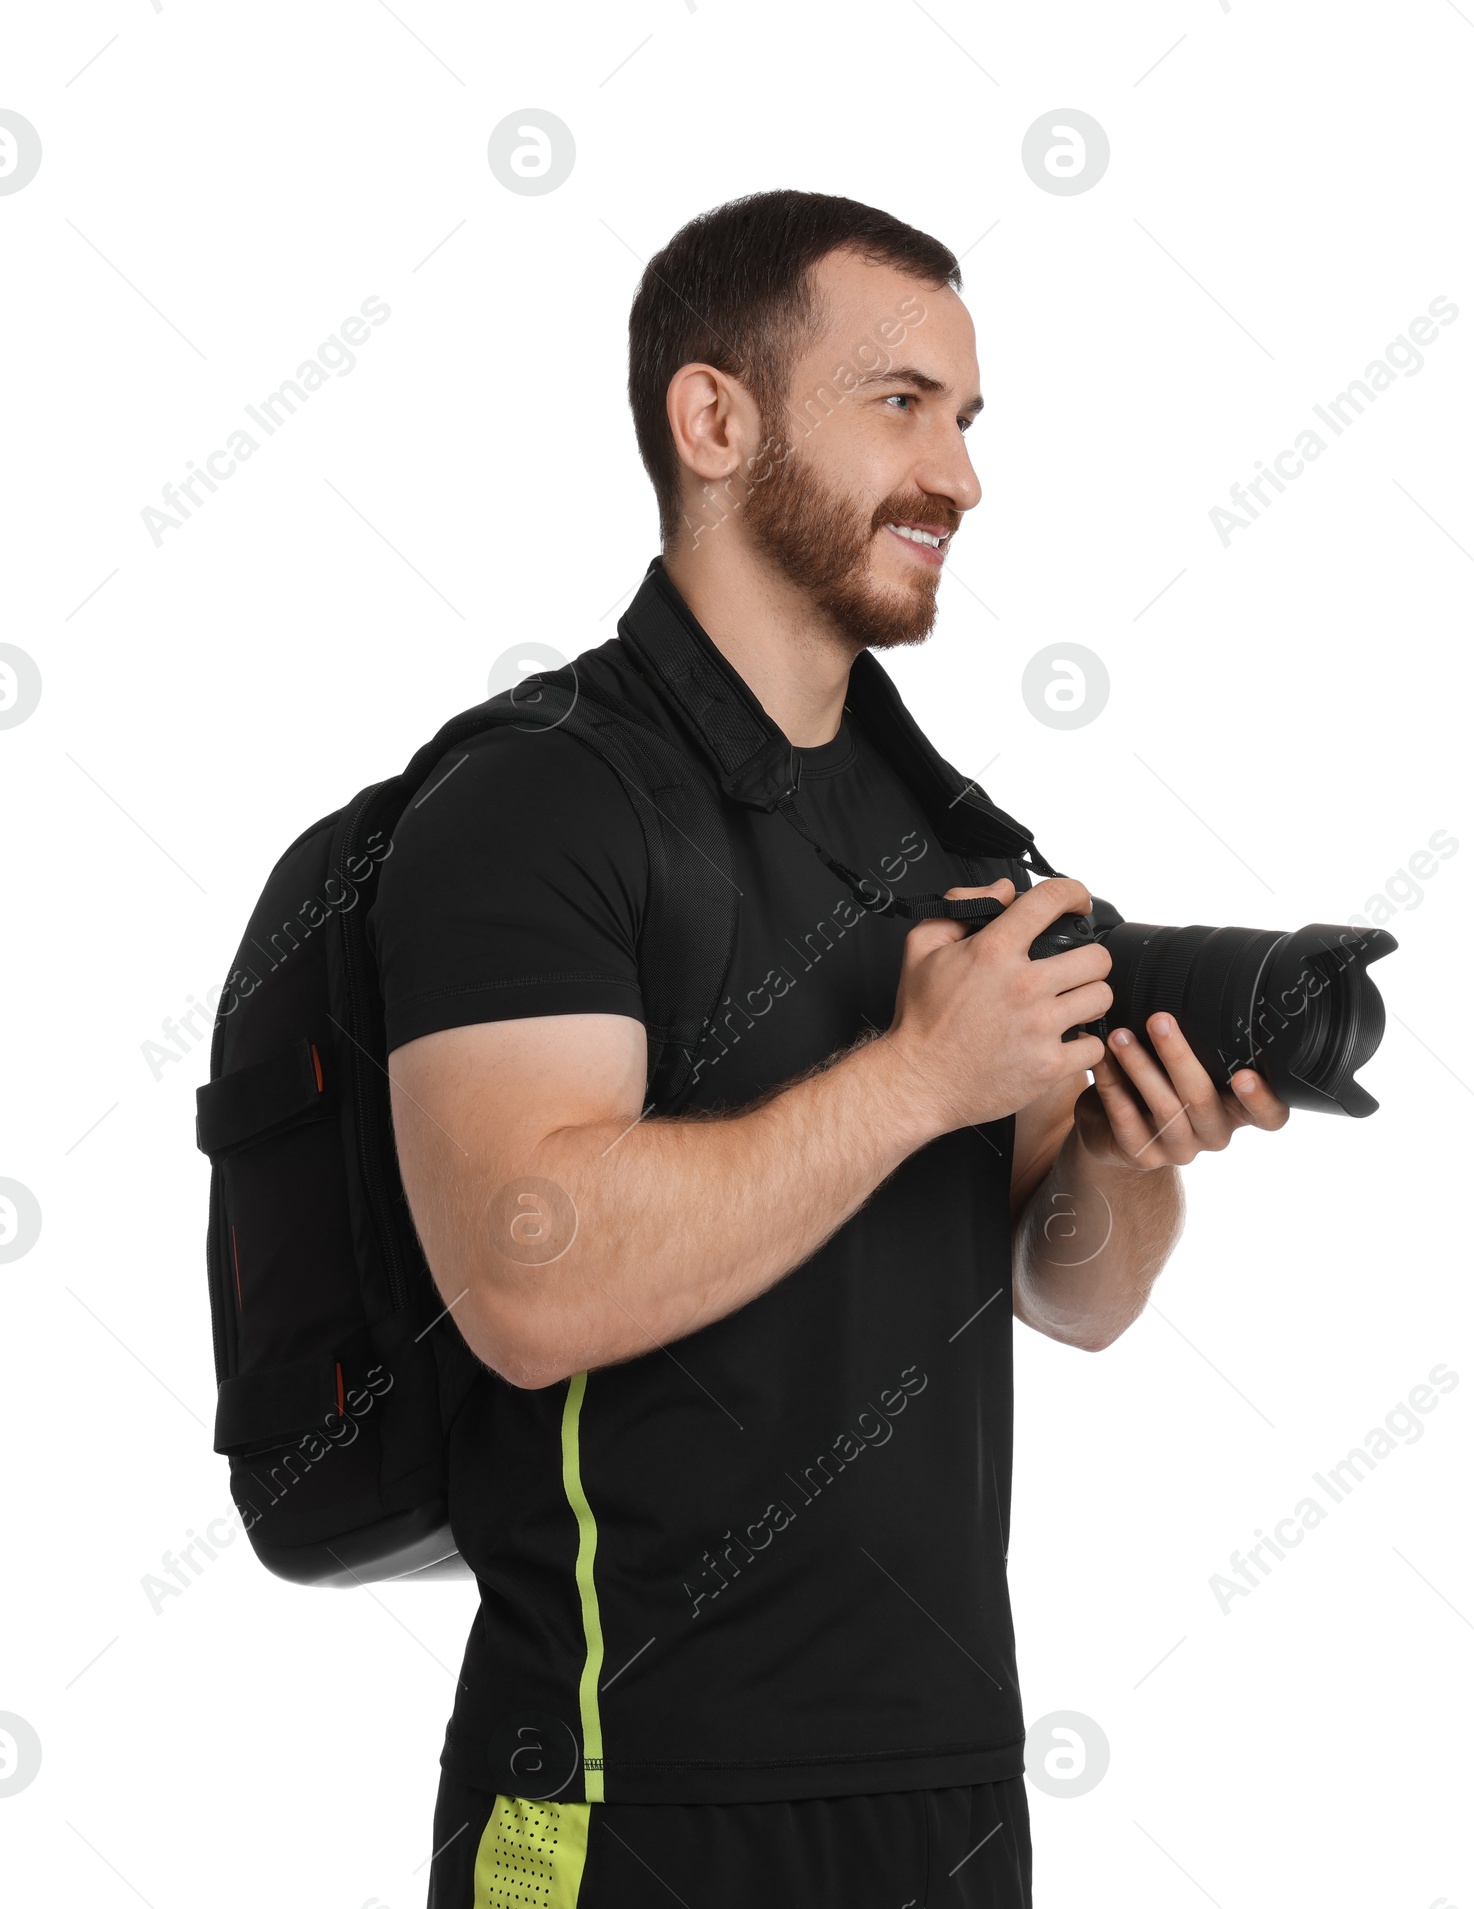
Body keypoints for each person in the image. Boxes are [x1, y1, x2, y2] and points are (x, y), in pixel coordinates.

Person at [371, 188, 1290, 1909]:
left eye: (965, 417)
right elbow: (526, 1281)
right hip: (626, 1790)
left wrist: (1116, 1157)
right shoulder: (533, 803)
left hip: (941, 1790)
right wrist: (920, 1078)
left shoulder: (950, 831)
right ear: (712, 420)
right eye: (899, 405)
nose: (959, 475)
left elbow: (1067, 1291)